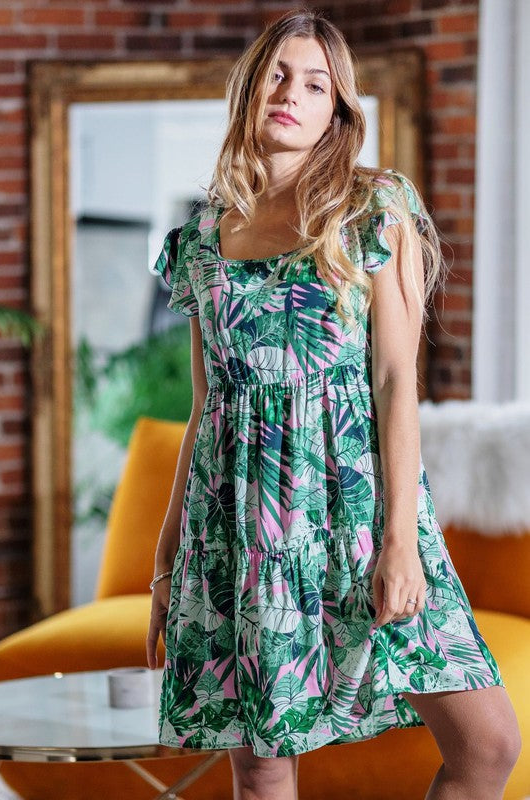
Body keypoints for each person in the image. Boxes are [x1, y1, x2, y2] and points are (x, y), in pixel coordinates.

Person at [146, 8, 521, 800]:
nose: (292, 93)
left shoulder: (373, 206)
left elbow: (393, 379)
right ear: (249, 90)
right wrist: (166, 559)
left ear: (338, 110)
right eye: (277, 74)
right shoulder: (203, 235)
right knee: (263, 763)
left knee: (485, 745)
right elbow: (207, 404)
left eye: (316, 83)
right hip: (240, 518)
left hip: (356, 509)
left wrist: (399, 541)